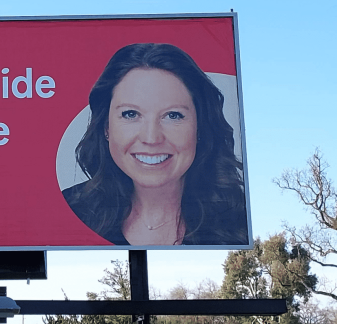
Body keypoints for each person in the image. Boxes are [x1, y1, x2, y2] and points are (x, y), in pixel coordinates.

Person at [62, 42, 248, 246]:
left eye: (173, 115)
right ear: (106, 127)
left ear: (200, 128)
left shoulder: (238, 217)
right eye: (131, 114)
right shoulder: (68, 210)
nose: (151, 138)